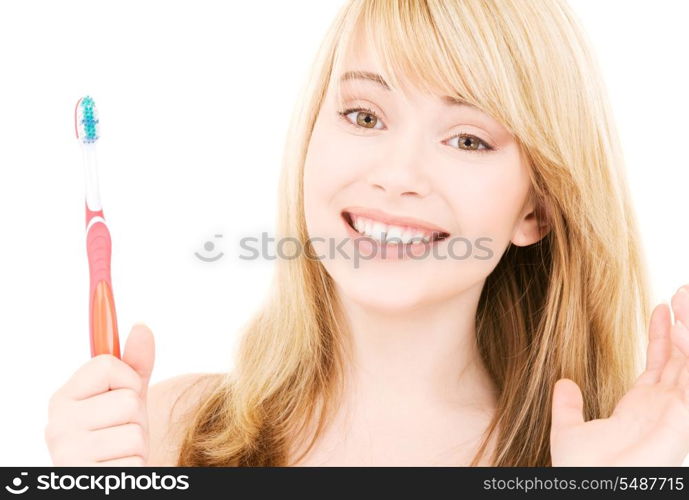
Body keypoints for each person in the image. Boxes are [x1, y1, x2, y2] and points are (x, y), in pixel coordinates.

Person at [44, 0, 689, 467]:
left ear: (535, 211)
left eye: (467, 138)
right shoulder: (165, 432)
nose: (398, 174)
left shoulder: (591, 460)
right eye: (364, 114)